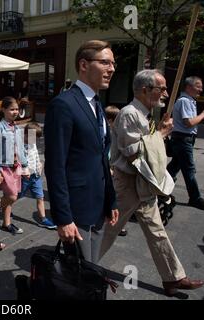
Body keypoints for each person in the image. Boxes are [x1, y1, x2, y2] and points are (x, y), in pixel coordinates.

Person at [101, 69, 204, 296]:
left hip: (144, 183)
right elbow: (132, 153)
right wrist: (162, 134)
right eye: (162, 89)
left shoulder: (145, 113)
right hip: (128, 184)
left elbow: (146, 147)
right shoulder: (129, 114)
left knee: (157, 231)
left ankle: (173, 278)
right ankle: (81, 262)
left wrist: (159, 131)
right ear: (146, 90)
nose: (166, 93)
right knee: (109, 229)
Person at [44, 40, 118, 264]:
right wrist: (63, 217)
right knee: (80, 275)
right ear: (84, 65)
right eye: (105, 62)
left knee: (91, 270)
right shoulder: (64, 104)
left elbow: (101, 158)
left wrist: (110, 200)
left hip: (97, 206)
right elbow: (55, 166)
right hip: (76, 210)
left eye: (113, 63)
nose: (112, 69)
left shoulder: (97, 104)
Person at [167, 76, 204, 210]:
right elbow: (188, 122)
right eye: (198, 86)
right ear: (189, 86)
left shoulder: (188, 100)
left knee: (174, 167)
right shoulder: (185, 101)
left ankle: (158, 189)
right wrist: (203, 115)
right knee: (189, 169)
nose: (200, 89)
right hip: (183, 139)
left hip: (183, 138)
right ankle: (195, 198)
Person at [0, 96, 29, 235]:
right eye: (12, 109)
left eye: (17, 109)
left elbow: (21, 148)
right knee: (12, 196)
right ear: (4, 110)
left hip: (16, 167)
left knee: (11, 195)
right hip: (4, 167)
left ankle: (7, 223)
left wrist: (25, 166)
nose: (15, 112)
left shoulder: (17, 128)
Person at [18, 122, 56, 230]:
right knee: (15, 197)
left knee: (40, 197)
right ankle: (5, 207)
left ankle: (43, 219)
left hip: (36, 176)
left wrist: (40, 164)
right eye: (33, 137)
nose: (34, 140)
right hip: (25, 177)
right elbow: (18, 162)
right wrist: (23, 172)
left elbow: (35, 156)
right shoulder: (21, 146)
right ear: (25, 134)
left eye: (36, 138)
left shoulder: (32, 143)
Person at [105, 105, 128, 237]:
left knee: (115, 197)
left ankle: (116, 224)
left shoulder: (116, 131)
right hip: (108, 168)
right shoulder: (107, 132)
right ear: (110, 120)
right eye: (117, 120)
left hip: (113, 168)